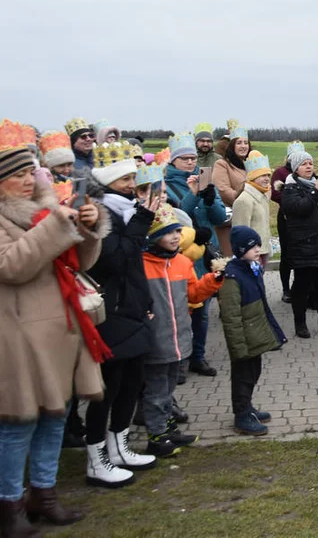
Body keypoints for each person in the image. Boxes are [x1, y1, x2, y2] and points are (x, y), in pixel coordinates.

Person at [0, 126, 108, 532]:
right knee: (17, 424)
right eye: (19, 175)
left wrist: (87, 227)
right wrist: (56, 226)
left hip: (60, 330)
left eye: (31, 173)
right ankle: (9, 505)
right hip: (18, 337)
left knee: (55, 417)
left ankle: (44, 495)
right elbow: (11, 265)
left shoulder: (46, 210)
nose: (30, 181)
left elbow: (80, 263)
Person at [85, 140, 159, 485]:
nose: (132, 186)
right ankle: (96, 457)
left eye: (133, 178)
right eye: (125, 180)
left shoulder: (126, 212)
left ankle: (120, 445)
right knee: (109, 387)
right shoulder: (103, 214)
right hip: (112, 310)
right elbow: (115, 260)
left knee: (132, 381)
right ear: (107, 182)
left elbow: (135, 266)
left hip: (132, 307)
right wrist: (143, 219)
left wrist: (146, 302)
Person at [139, 204, 222, 457]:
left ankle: (168, 428)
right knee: (155, 392)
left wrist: (211, 281)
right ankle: (156, 436)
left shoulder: (183, 262)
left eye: (177, 231)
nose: (176, 236)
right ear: (153, 236)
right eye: (168, 232)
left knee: (168, 390)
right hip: (155, 339)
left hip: (180, 338)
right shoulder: (141, 265)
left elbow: (194, 294)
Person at [162, 132, 227, 378]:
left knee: (202, 312)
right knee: (180, 315)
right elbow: (174, 217)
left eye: (192, 158)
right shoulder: (166, 185)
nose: (191, 162)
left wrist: (210, 200)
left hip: (203, 256)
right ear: (173, 162)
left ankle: (198, 357)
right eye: (185, 159)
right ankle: (179, 361)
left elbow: (220, 219)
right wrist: (193, 194)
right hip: (179, 257)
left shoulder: (204, 180)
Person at [218, 226, 287, 437]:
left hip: (253, 334)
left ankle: (247, 407)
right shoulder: (231, 277)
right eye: (252, 247)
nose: (258, 249)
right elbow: (231, 317)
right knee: (243, 376)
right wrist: (237, 346)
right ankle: (241, 414)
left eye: (258, 245)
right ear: (240, 249)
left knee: (253, 372)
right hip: (243, 338)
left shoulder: (251, 267)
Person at [282, 148, 318, 339]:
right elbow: (300, 208)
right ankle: (300, 324)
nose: (308, 167)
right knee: (302, 286)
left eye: (310, 163)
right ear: (295, 168)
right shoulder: (290, 188)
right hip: (303, 245)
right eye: (304, 164)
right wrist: (317, 191)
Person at [272, 142, 306, 301]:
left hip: (305, 216)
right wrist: (292, 200)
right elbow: (274, 193)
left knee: (304, 253)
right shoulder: (281, 172)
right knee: (286, 254)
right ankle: (286, 289)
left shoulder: (307, 172)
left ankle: (301, 287)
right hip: (286, 216)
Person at [230, 151, 273, 267]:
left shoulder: (263, 197)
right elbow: (240, 232)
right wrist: (245, 256)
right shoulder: (244, 200)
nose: (267, 179)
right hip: (250, 255)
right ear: (253, 177)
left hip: (261, 251)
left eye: (268, 175)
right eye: (263, 175)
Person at [211, 123, 250, 211]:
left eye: (246, 143)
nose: (243, 146)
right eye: (239, 143)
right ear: (232, 146)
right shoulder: (222, 164)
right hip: (234, 212)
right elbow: (223, 190)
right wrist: (245, 201)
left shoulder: (252, 165)